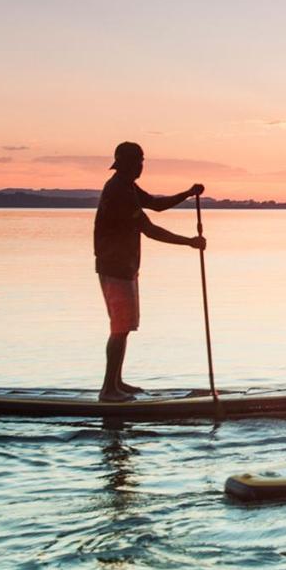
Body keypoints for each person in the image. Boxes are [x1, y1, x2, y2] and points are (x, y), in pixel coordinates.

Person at [94, 141, 206, 402]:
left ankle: (116, 382)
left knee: (124, 326)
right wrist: (188, 241)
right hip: (115, 267)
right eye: (139, 161)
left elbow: (155, 204)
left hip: (126, 266)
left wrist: (187, 193)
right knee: (119, 327)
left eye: (143, 160)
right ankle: (108, 390)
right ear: (127, 163)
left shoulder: (127, 186)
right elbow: (149, 228)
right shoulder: (118, 190)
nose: (142, 166)